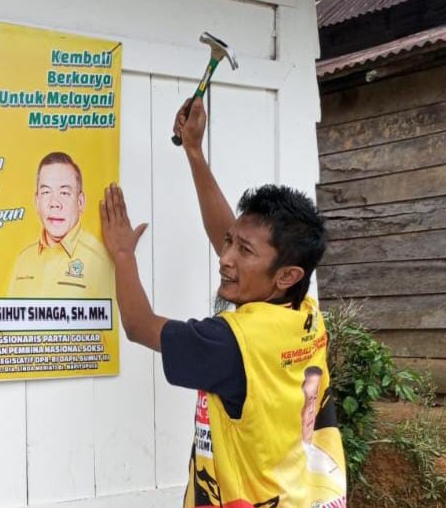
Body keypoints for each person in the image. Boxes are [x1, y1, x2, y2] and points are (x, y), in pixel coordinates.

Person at [99, 97, 346, 508]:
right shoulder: (305, 315)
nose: (226, 258)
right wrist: (194, 152)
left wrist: (123, 255)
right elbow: (228, 237)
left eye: (243, 251)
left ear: (287, 275)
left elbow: (139, 325)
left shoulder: (229, 343)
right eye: (230, 243)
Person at [8, 151, 112, 298]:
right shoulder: (24, 259)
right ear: (37, 202)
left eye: (64, 193)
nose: (54, 203)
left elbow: (114, 319)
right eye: (46, 192)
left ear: (80, 202)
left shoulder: (100, 259)